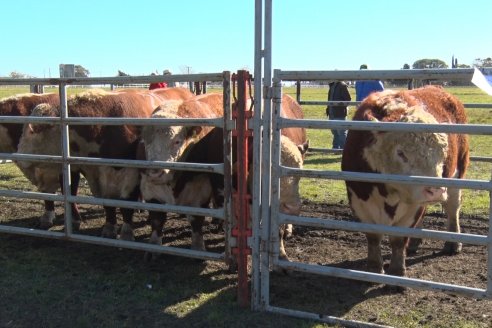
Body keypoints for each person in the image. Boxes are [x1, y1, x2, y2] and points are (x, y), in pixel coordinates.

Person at [326, 81, 351, 149]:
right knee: (335, 132)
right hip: (332, 113)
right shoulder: (332, 85)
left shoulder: (342, 85)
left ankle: (344, 149)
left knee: (341, 132)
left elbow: (348, 99)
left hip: (339, 113)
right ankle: (335, 148)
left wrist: (340, 106)